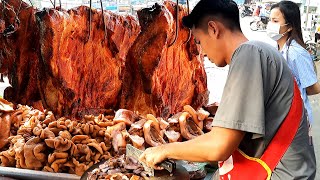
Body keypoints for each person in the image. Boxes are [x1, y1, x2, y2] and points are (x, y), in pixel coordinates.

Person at [139, 0, 316, 179]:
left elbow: (219, 146)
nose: (202, 52)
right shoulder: (258, 52)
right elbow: (225, 135)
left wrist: (166, 150)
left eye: (199, 41)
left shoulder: (249, 54)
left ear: (213, 29)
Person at [267, 1, 320, 125]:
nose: (270, 24)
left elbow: (313, 88)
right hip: (283, 115)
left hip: (296, 120)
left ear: (289, 26)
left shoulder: (296, 53)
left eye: (275, 21)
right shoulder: (279, 48)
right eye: (270, 20)